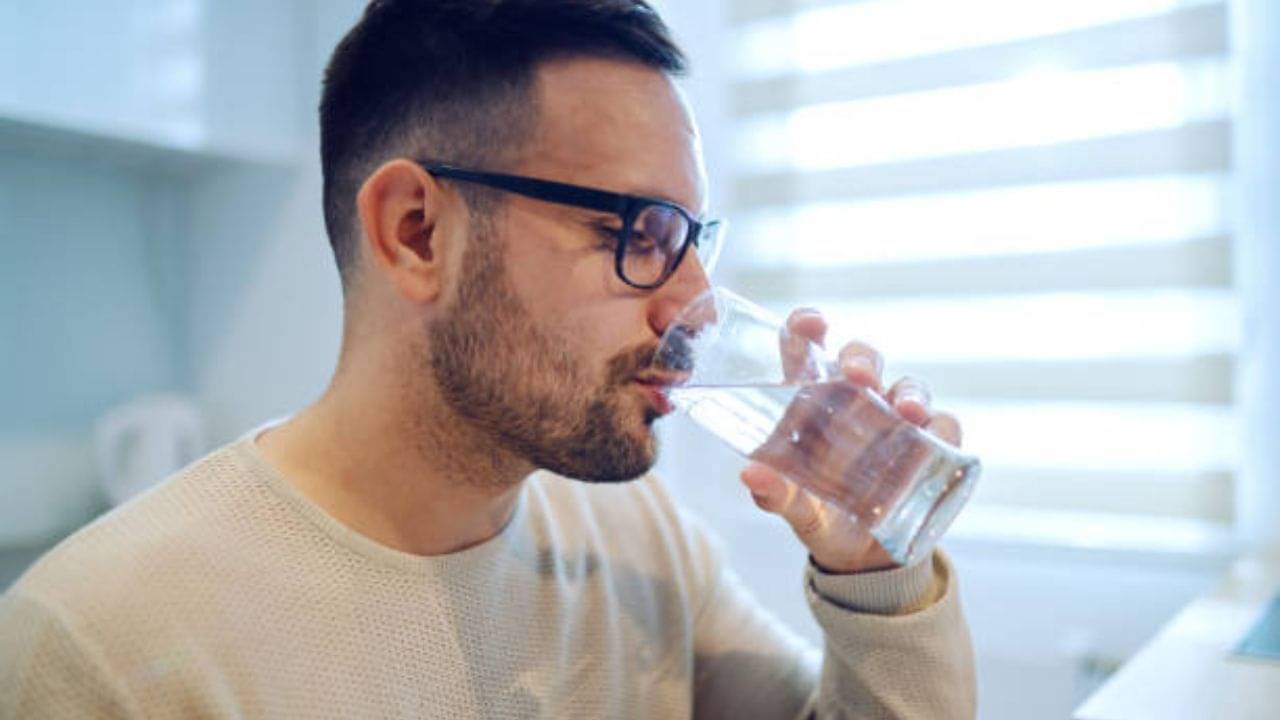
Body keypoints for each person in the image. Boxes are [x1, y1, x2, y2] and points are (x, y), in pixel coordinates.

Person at [0, 1, 976, 717]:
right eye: (639, 231)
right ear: (417, 232)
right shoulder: (97, 649)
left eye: (693, 240)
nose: (694, 305)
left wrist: (870, 577)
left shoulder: (633, 537)